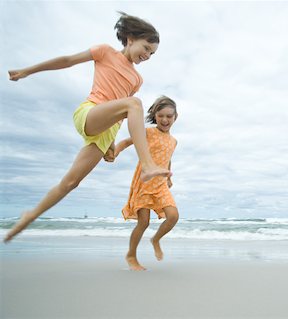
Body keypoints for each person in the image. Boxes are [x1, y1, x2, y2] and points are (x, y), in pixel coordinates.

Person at [4, 12, 170, 243]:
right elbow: (67, 60)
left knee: (71, 183)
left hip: (106, 129)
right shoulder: (105, 52)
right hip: (90, 113)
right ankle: (148, 166)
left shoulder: (136, 79)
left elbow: (122, 112)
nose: (148, 55)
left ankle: (28, 217)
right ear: (130, 38)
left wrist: (111, 142)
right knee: (135, 104)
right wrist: (27, 71)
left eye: (152, 53)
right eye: (146, 48)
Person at [115, 96, 179, 271]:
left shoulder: (174, 141)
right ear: (155, 116)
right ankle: (131, 255)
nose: (165, 120)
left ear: (175, 117)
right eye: (161, 116)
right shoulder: (148, 132)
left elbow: (168, 160)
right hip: (144, 182)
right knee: (143, 222)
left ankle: (156, 239)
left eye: (169, 116)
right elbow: (126, 142)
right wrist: (116, 152)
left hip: (160, 184)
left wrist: (169, 178)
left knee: (173, 216)